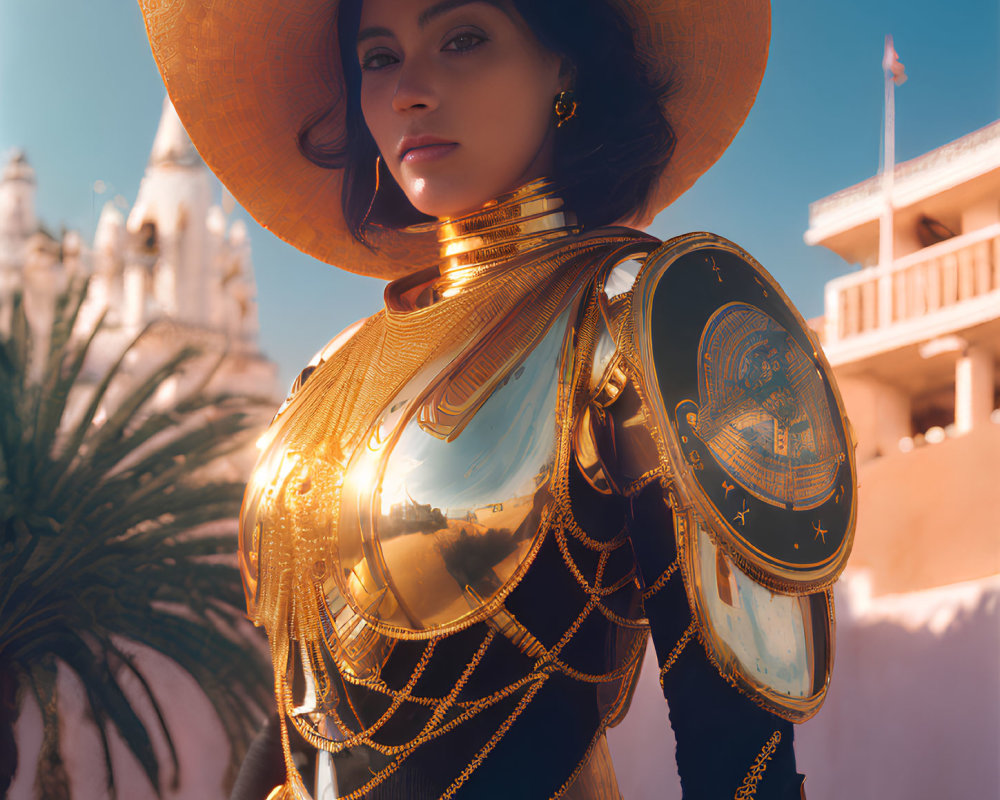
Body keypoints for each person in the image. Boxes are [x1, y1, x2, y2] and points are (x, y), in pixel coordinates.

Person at [140, 0, 856, 798]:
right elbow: (304, 710)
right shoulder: (326, 375)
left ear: (565, 64)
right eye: (378, 58)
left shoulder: (642, 320)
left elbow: (739, 759)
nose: (410, 90)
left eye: (463, 39)